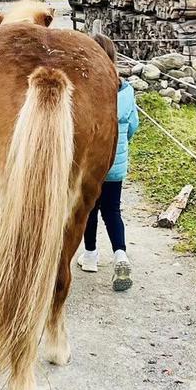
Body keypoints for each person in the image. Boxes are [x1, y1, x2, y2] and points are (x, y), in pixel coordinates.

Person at [77, 33, 139, 292]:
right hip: (116, 164)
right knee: (113, 210)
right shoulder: (126, 90)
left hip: (91, 164)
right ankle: (120, 256)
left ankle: (90, 256)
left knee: (89, 210)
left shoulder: (86, 90)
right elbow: (133, 126)